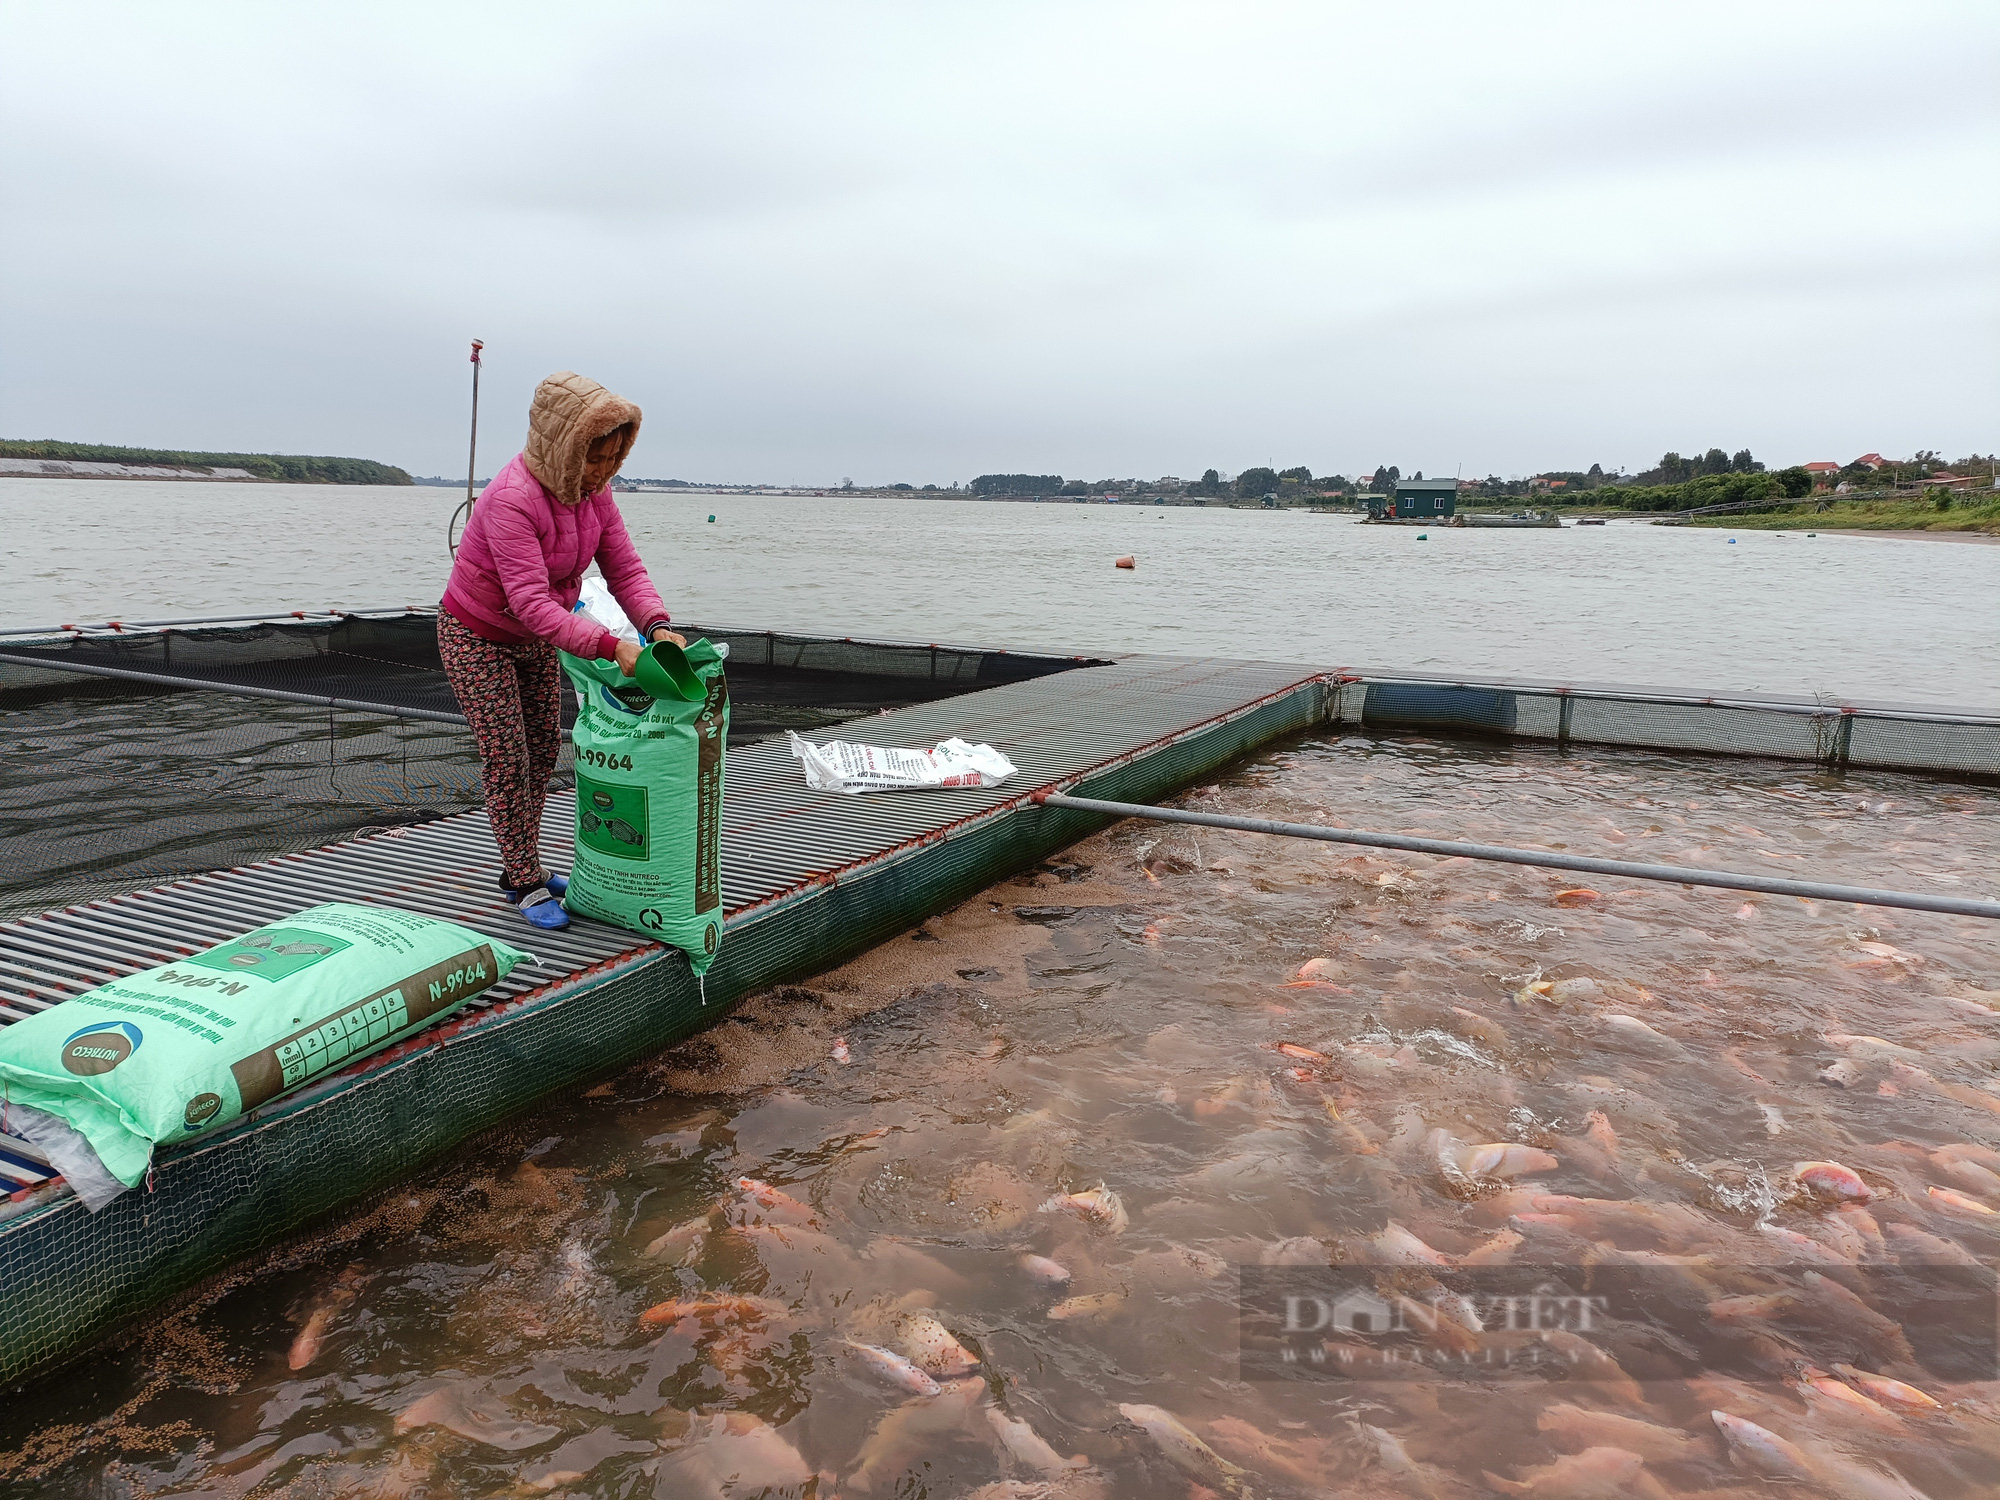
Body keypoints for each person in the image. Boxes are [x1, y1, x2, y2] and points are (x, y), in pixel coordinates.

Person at [438, 370, 684, 931]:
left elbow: (623, 566)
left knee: (546, 748)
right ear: (563, 445)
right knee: (508, 755)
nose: (602, 471)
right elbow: (529, 600)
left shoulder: (597, 495)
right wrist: (610, 646)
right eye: (593, 458)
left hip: (533, 640)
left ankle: (524, 863)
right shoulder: (511, 500)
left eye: (612, 459)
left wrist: (657, 624)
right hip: (475, 634)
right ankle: (522, 879)